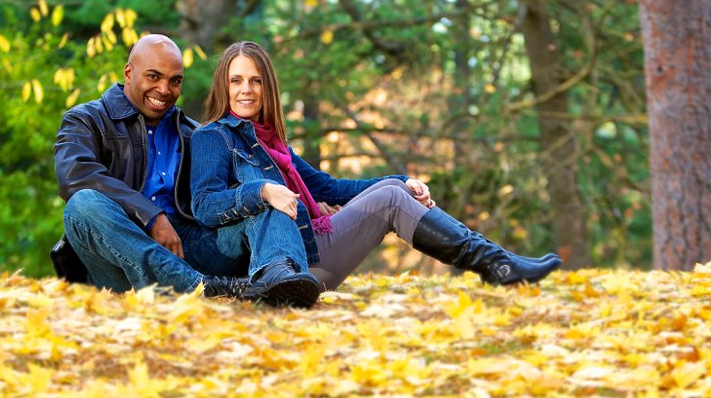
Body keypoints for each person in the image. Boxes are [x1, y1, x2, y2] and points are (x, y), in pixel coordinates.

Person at [190, 41, 562, 300]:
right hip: (285, 265)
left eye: (255, 80)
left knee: (395, 193)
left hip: (313, 248)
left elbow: (334, 188)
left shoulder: (274, 144)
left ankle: (497, 264)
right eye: (236, 80)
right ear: (224, 84)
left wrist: (403, 180)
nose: (246, 90)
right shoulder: (213, 137)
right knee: (389, 197)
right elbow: (204, 205)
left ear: (267, 86)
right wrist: (262, 192)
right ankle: (497, 266)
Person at [51, 35, 320, 305]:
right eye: (153, 77)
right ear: (129, 73)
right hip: (118, 257)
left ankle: (279, 281)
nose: (164, 89)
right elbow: (75, 176)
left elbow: (228, 192)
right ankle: (198, 287)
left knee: (260, 198)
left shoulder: (193, 133)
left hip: (189, 251)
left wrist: (308, 200)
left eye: (174, 81)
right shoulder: (85, 119)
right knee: (82, 204)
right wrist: (151, 217)